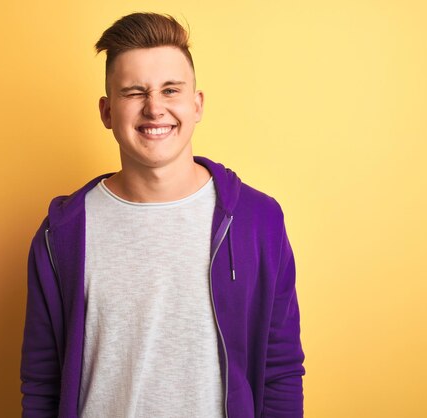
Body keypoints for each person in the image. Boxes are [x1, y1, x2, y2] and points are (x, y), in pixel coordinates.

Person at [20, 12, 305, 418]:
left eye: (171, 90)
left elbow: (280, 372)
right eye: (134, 92)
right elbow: (42, 382)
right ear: (106, 111)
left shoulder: (258, 222)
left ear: (197, 103)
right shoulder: (61, 234)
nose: (155, 108)